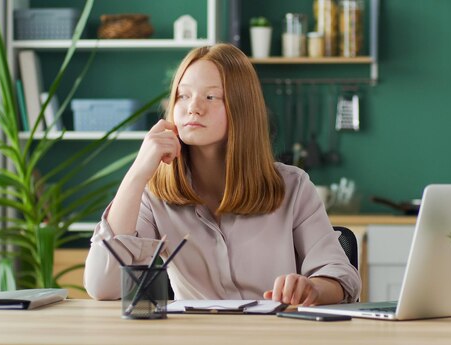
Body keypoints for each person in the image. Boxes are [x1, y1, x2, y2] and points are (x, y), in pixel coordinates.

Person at [84, 43, 361, 306]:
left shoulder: (292, 186)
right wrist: (136, 174)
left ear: (242, 108)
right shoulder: (154, 195)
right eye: (183, 95)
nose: (193, 107)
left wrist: (312, 288)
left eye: (210, 96)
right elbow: (103, 286)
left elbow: (340, 278)